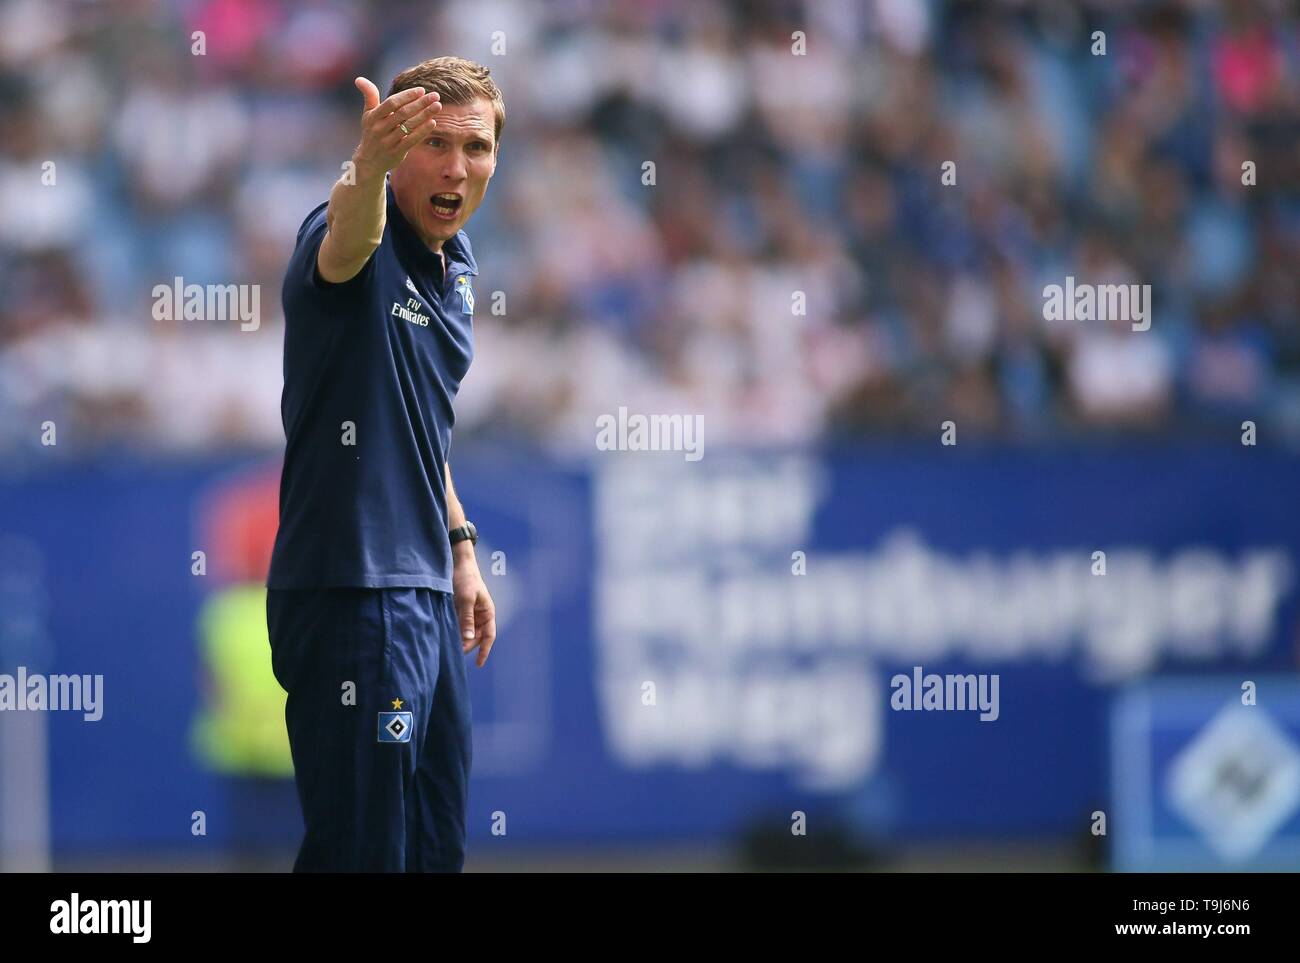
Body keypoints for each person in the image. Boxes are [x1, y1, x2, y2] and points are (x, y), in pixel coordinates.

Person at [265, 56, 503, 872]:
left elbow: (417, 425)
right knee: (363, 853)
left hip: (425, 590)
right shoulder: (352, 237)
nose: (454, 166)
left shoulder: (459, 265)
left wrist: (462, 546)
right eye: (432, 142)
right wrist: (363, 168)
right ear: (397, 151)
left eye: (474, 148)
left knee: (434, 849)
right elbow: (349, 232)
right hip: (352, 590)